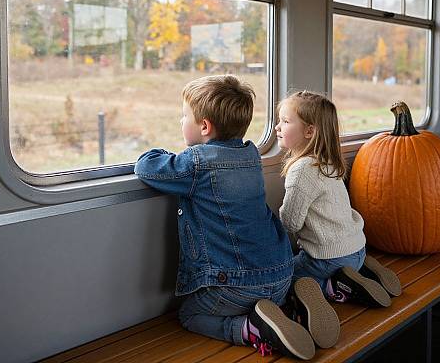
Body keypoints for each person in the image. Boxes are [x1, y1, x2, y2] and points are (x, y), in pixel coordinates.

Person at [134, 75, 315, 360]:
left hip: (237, 285)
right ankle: (290, 310)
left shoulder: (197, 163)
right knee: (260, 295)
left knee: (190, 314)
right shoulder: (251, 154)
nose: (181, 123)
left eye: (184, 117)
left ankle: (249, 328)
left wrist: (158, 151)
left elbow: (148, 167)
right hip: (282, 273)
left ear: (204, 126)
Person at [276, 91, 400, 339]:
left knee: (283, 278)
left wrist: (273, 216)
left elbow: (290, 222)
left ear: (309, 131)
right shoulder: (327, 162)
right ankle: (362, 271)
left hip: (326, 259)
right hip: (356, 247)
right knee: (337, 260)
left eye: (285, 122)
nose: (277, 127)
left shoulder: (301, 170)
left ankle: (334, 287)